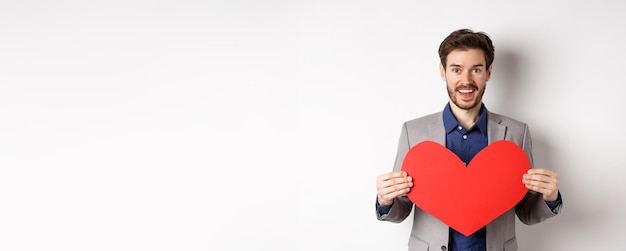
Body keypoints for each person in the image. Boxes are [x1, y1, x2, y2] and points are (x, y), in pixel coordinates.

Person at [375, 29, 562, 251]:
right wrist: (386, 201)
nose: (466, 80)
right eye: (456, 69)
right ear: (443, 72)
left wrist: (549, 197)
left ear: (488, 73)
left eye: (476, 69)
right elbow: (402, 209)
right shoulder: (413, 132)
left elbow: (525, 211)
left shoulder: (516, 133)